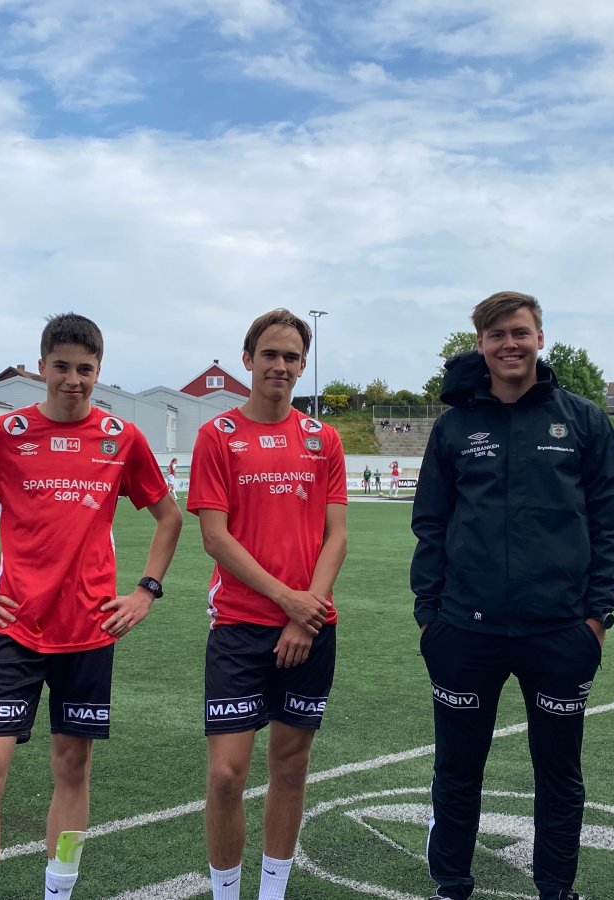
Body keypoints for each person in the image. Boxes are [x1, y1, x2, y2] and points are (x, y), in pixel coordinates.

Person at [0, 313, 184, 900]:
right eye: (62, 367)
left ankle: (58, 892)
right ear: (41, 367)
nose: (73, 380)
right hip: (12, 628)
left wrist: (146, 590)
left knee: (72, 768)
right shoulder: (6, 433)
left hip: (88, 631)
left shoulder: (121, 438)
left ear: (99, 371)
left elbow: (169, 517)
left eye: (85, 369)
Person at [411, 290, 614, 900]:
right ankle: (451, 883)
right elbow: (430, 524)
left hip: (559, 632)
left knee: (559, 773)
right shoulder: (455, 425)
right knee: (457, 769)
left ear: (539, 339)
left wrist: (596, 618)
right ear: (481, 344)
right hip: (464, 630)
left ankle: (556, 887)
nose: (510, 344)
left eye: (520, 332)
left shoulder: (582, 419)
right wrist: (430, 616)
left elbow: (607, 526)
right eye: (498, 334)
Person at [187, 308, 348, 900]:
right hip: (240, 626)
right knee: (226, 776)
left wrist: (307, 614)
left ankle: (272, 892)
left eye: (291, 357)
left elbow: (336, 536)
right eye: (270, 354)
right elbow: (214, 537)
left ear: (303, 366)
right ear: (248, 359)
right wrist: (288, 602)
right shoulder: (218, 435)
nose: (280, 365)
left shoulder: (322, 438)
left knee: (291, 768)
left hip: (311, 628)